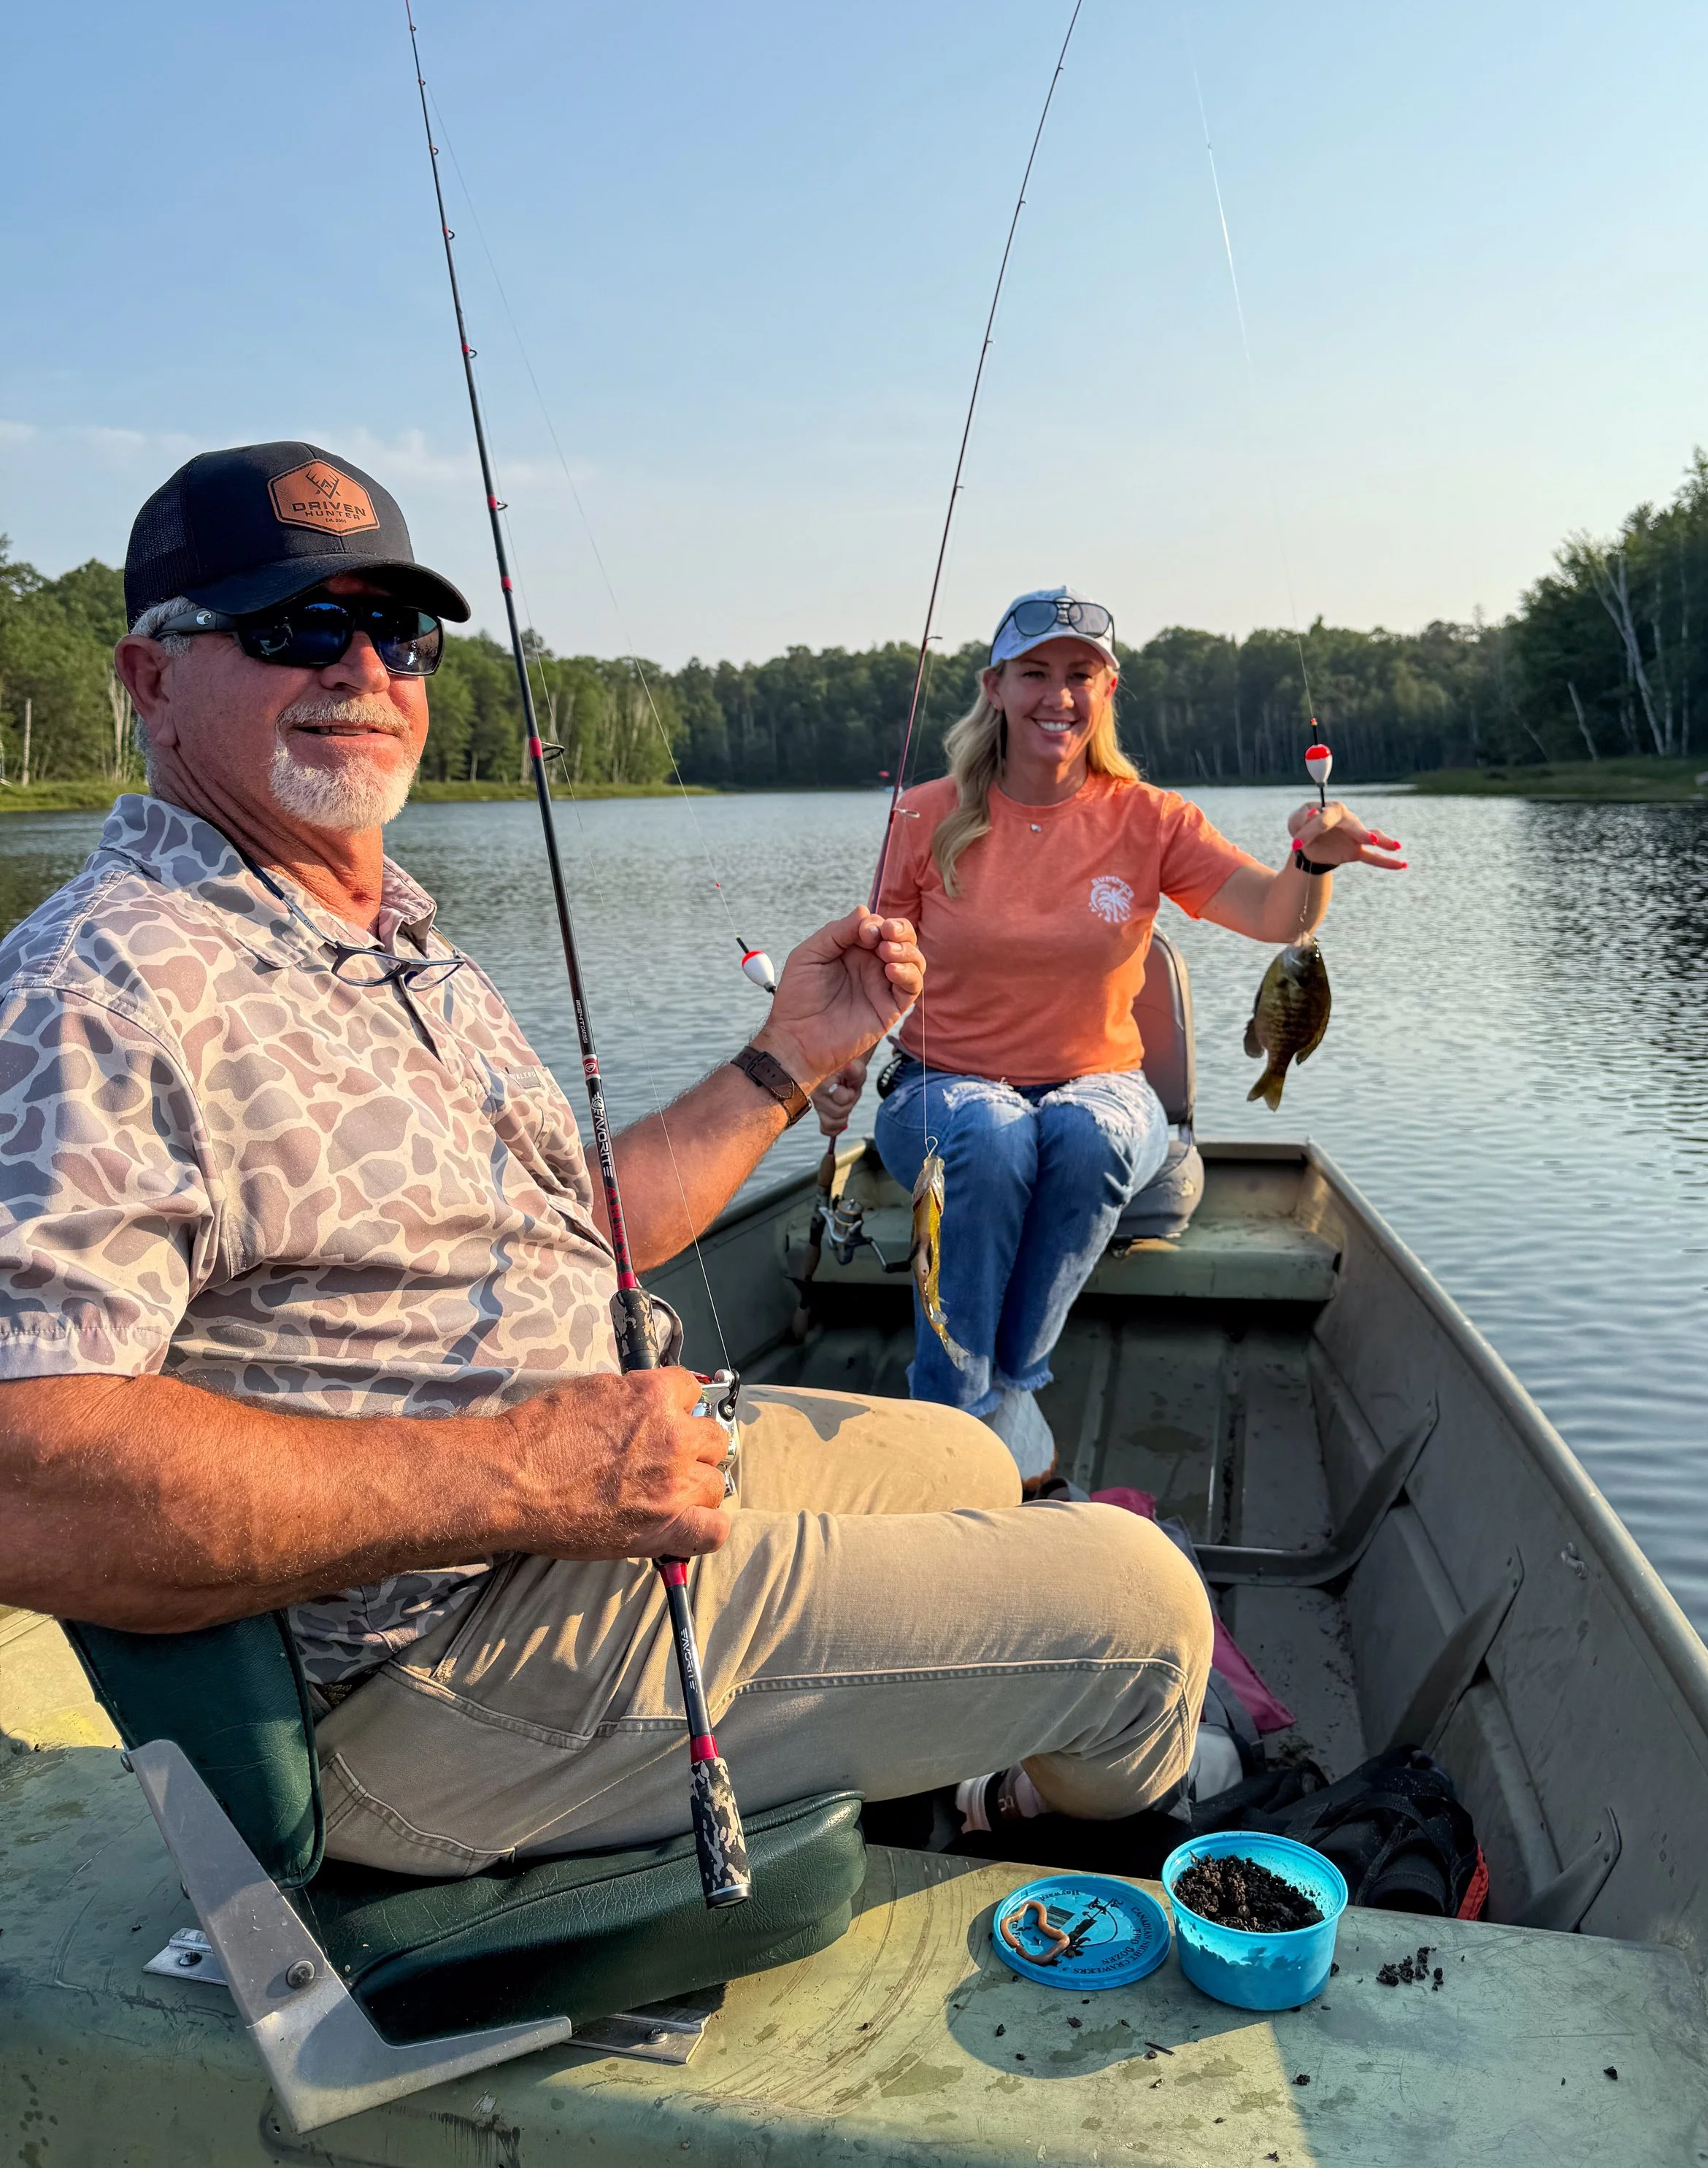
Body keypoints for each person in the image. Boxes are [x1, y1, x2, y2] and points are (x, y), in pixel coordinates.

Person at [0, 453, 1214, 1872]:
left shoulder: (380, 945)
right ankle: (1017, 1823)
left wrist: (788, 1060)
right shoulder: (99, 984)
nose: (363, 667)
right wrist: (517, 1471)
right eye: (292, 628)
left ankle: (902, 1776)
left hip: (576, 1501)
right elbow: (31, 1476)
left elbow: (567, 1228)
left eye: (400, 631)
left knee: (962, 1451)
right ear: (151, 681)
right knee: (1144, 1611)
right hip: (423, 1664)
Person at [815, 588, 1405, 1487]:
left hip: (1102, 1083)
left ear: (1107, 691)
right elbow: (874, 966)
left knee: (1081, 1133)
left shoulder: (1149, 817)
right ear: (997, 687)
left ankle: (1008, 1386)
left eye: (1080, 675)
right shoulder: (922, 813)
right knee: (989, 1131)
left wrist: (1312, 860)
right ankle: (955, 1408)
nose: (1059, 695)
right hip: (942, 1084)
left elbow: (1275, 913)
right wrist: (834, 1068)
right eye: (1037, 673)